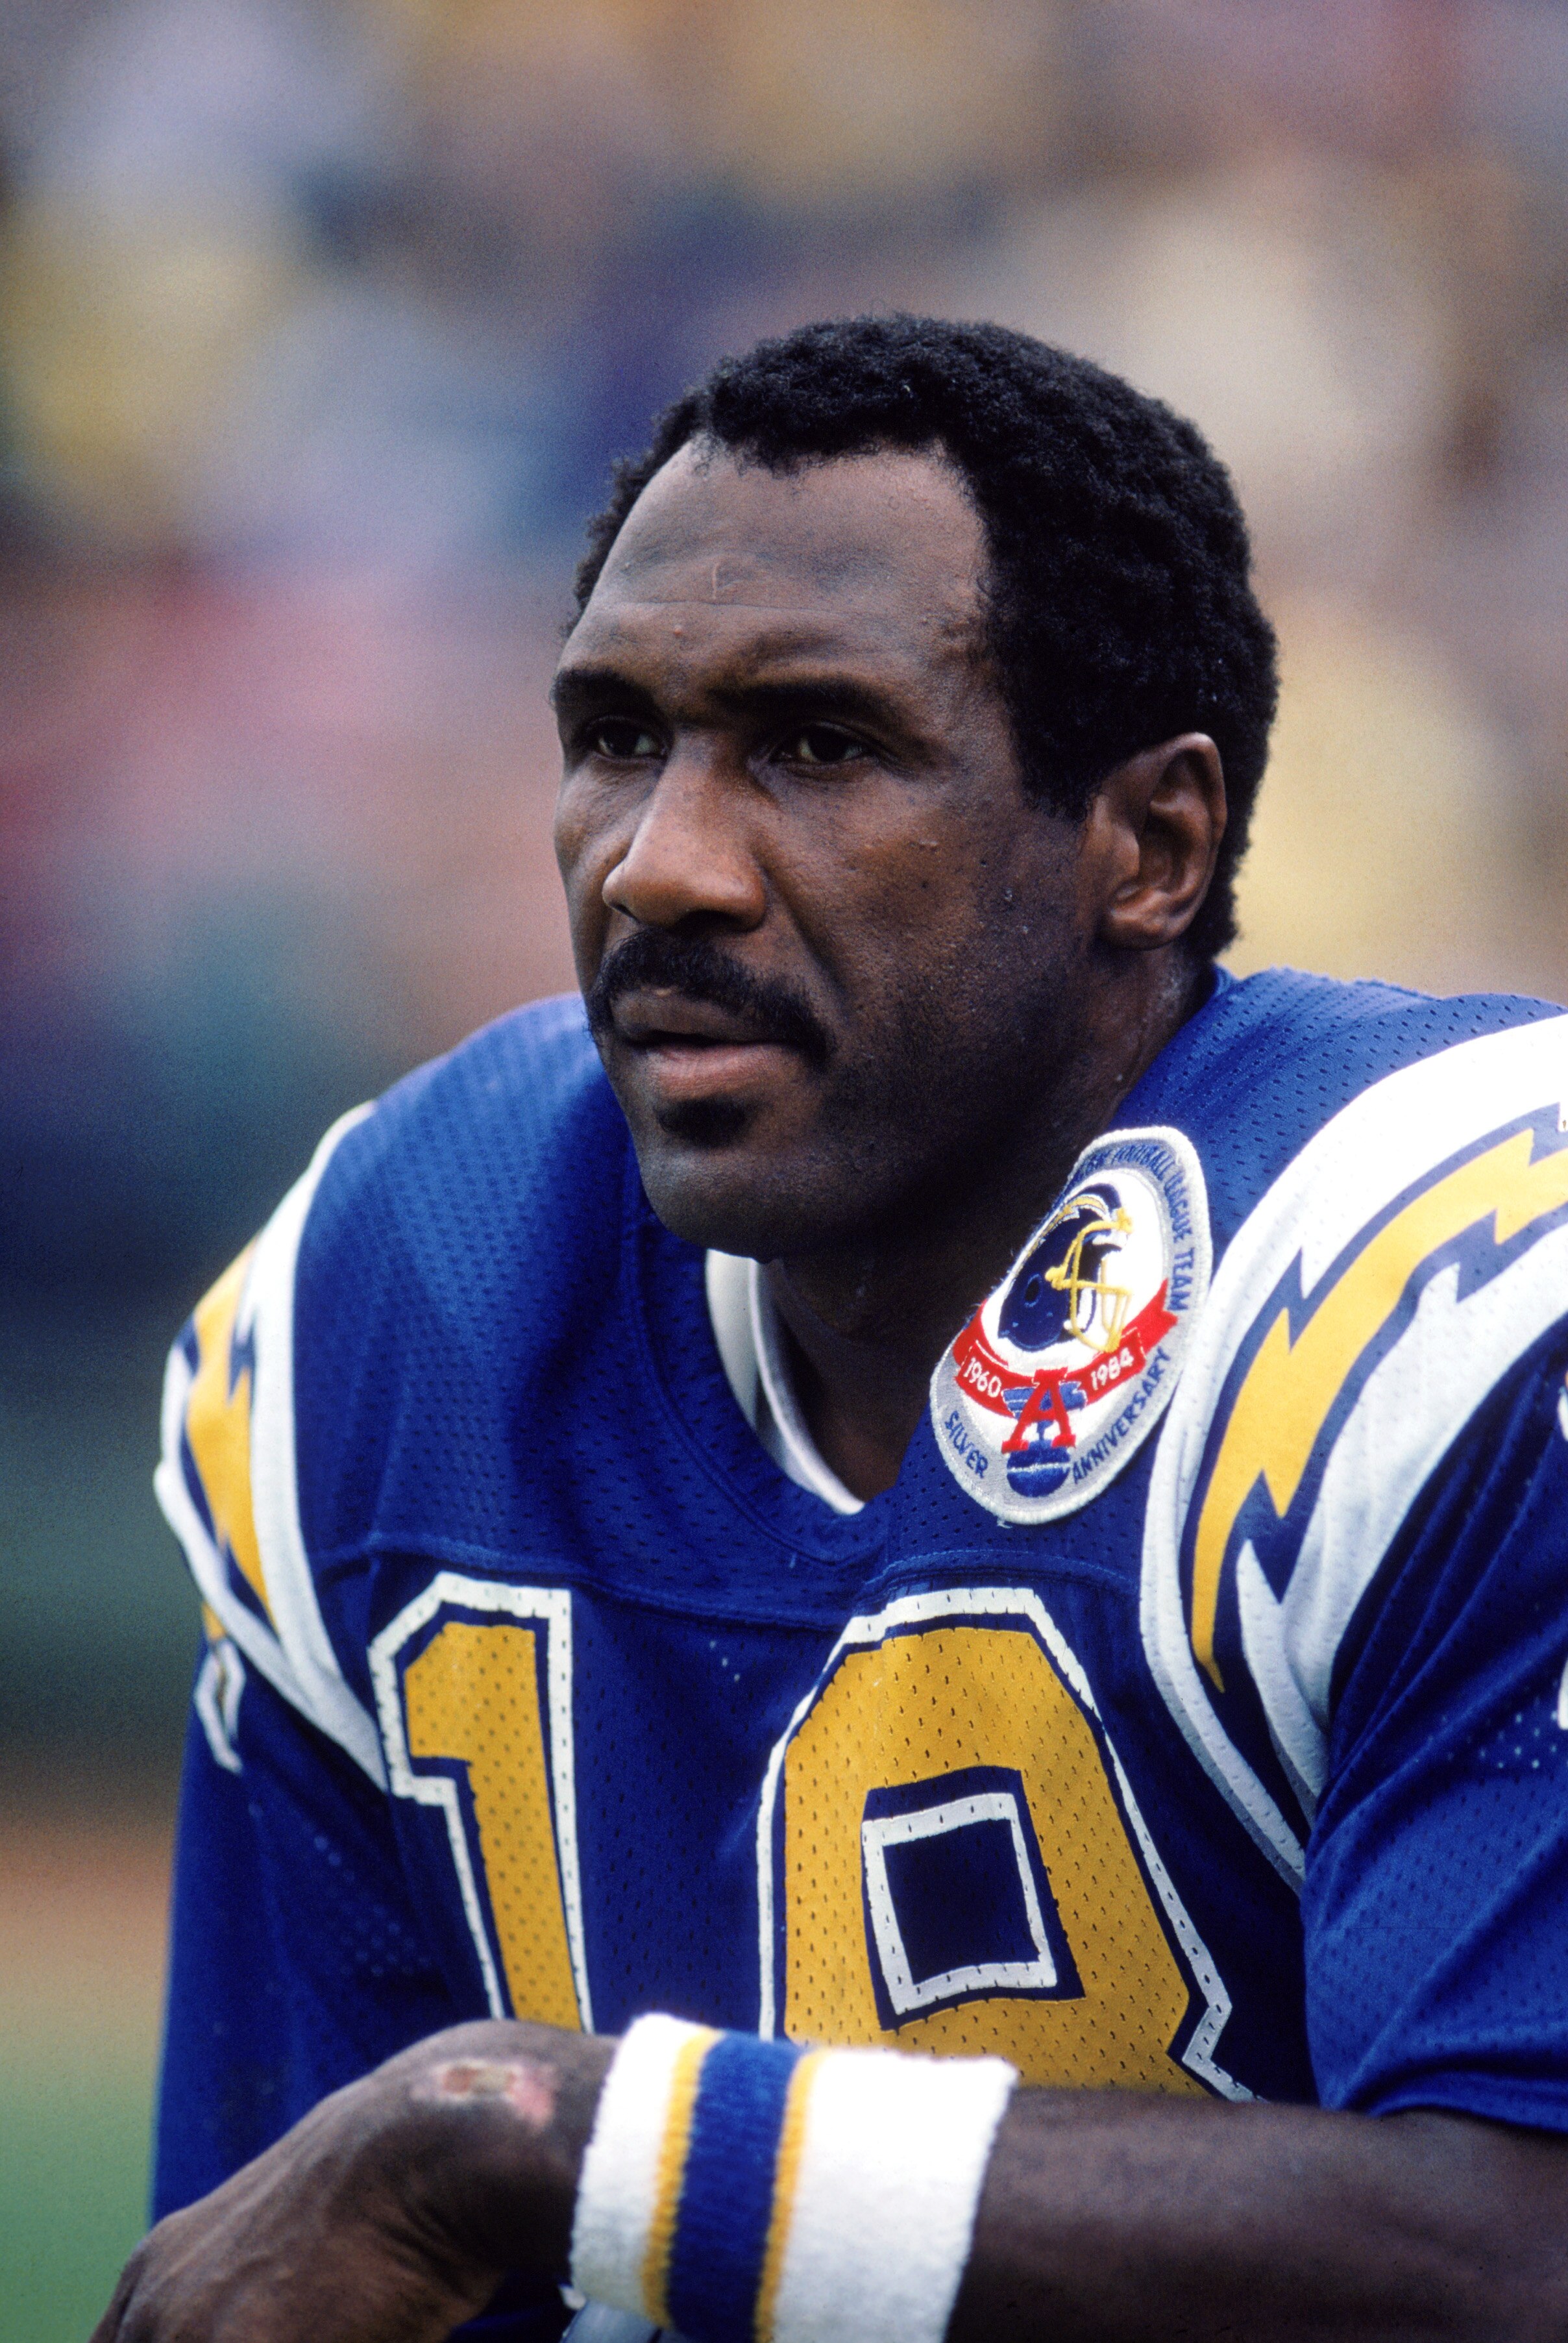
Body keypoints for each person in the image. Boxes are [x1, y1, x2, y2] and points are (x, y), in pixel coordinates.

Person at [98, 317, 1568, 2343]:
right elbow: (293, 2280)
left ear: (1152, 845)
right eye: (615, 735)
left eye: (819, 745)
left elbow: (1527, 2248)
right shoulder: (392, 1295)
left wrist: (560, 2146)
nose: (659, 862)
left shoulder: (1447, 1288)